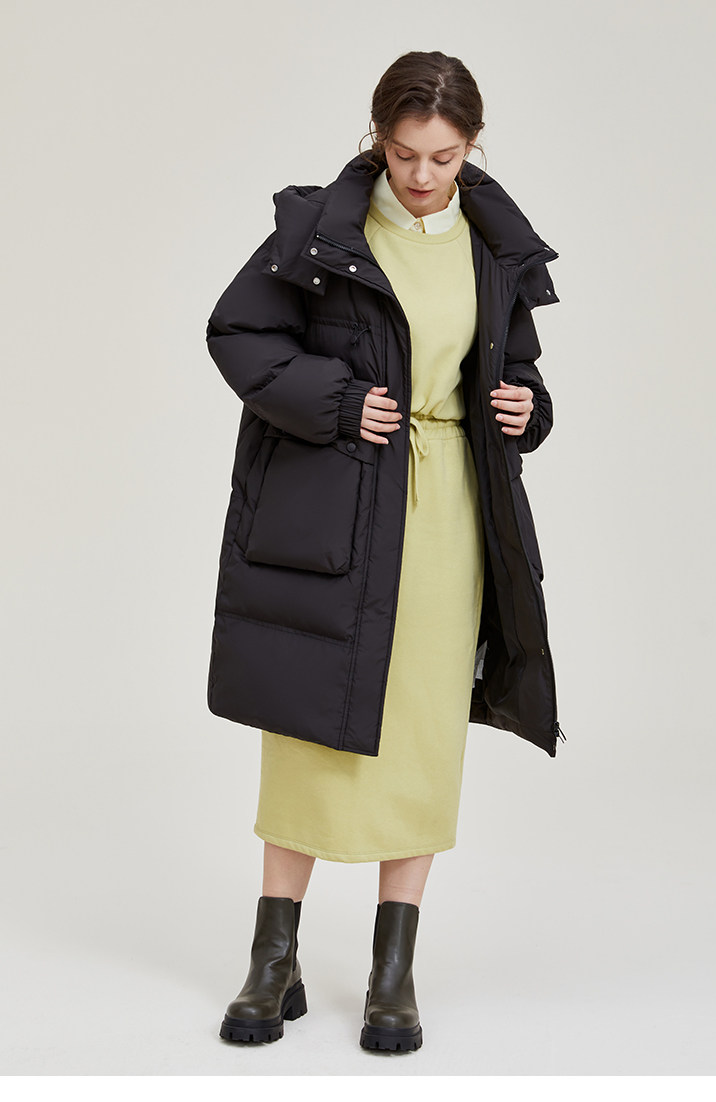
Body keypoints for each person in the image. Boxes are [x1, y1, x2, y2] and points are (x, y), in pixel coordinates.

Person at [204, 50, 563, 1054]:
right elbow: (236, 332)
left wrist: (525, 408)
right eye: (405, 154)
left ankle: (392, 973)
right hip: (336, 513)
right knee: (309, 726)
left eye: (443, 157)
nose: (422, 175)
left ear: (471, 147)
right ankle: (271, 961)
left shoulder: (494, 247)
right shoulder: (323, 232)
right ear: (378, 139)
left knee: (418, 736)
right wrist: (334, 400)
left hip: (447, 515)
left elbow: (519, 372)